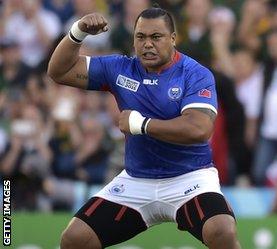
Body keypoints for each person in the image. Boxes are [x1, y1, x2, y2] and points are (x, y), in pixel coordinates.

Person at [47, 7, 240, 249]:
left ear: (172, 39)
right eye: (141, 37)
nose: (147, 44)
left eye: (156, 37)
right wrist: (77, 33)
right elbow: (59, 71)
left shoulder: (195, 74)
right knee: (75, 239)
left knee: (221, 230)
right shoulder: (120, 68)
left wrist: (142, 125)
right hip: (136, 180)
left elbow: (199, 129)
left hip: (189, 178)